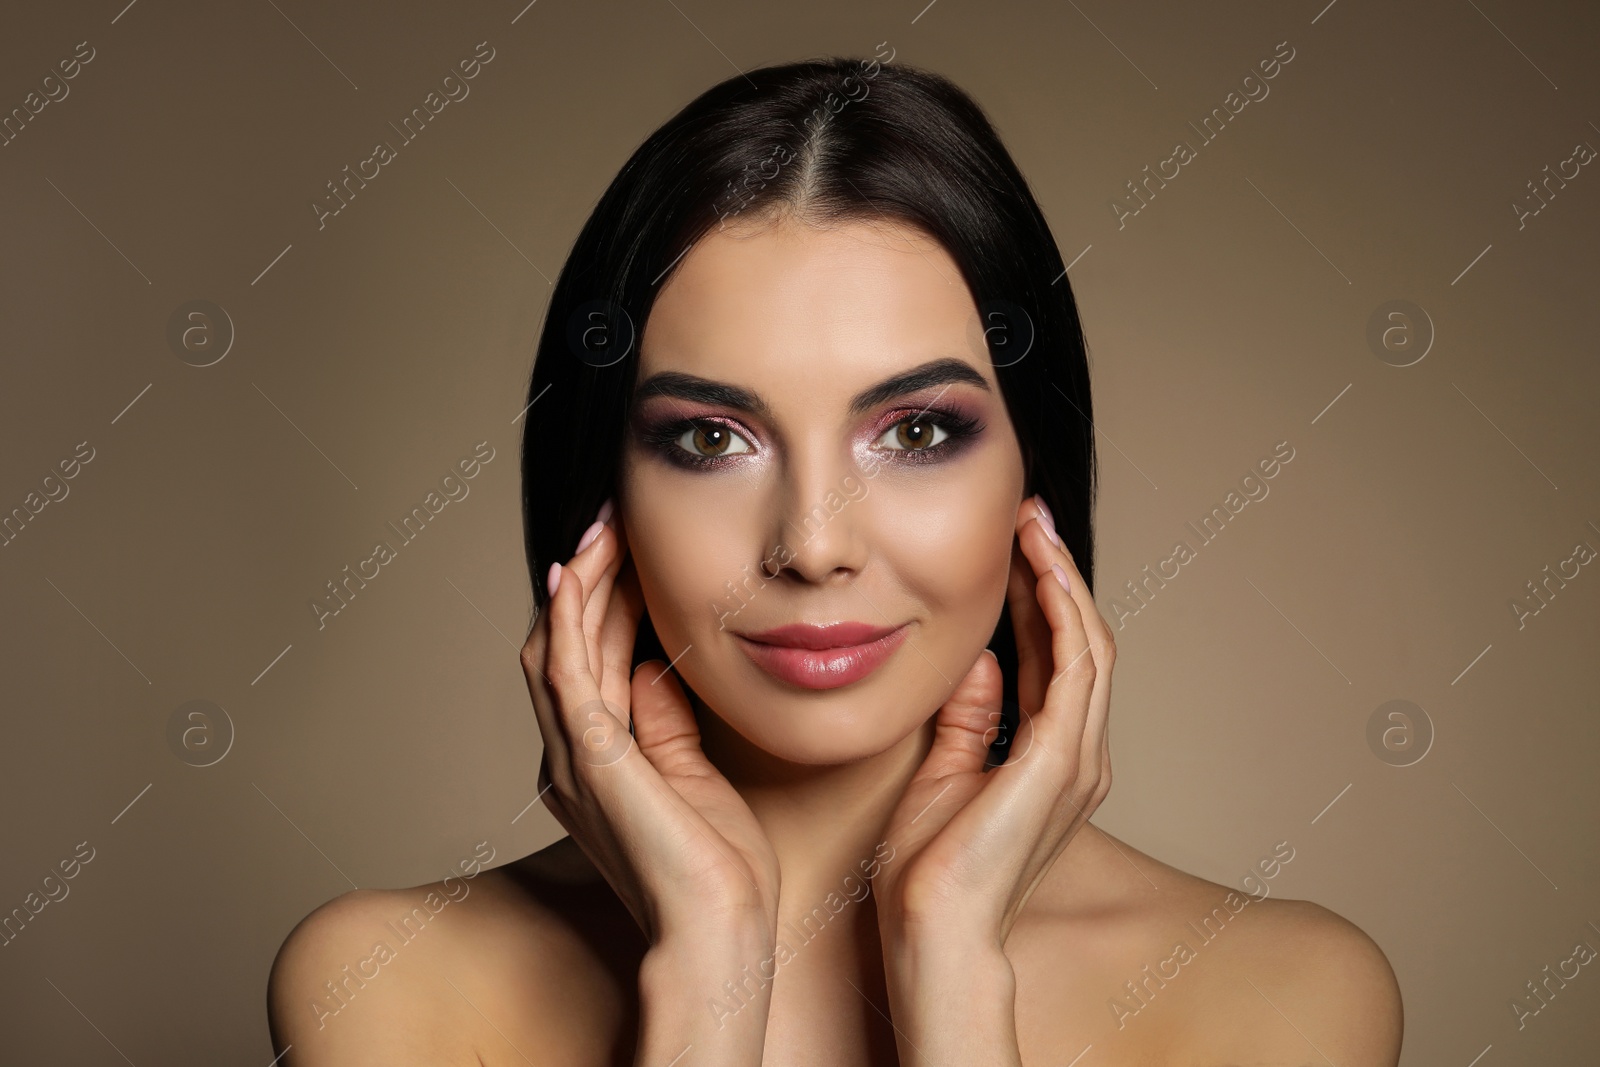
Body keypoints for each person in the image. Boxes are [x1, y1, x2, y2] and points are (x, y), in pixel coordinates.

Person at [267, 55, 1402, 1065]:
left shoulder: (1281, 994)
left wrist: (951, 964)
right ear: (603, 493)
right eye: (710, 438)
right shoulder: (386, 982)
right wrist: (705, 966)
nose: (812, 544)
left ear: (1030, 474)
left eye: (915, 432)